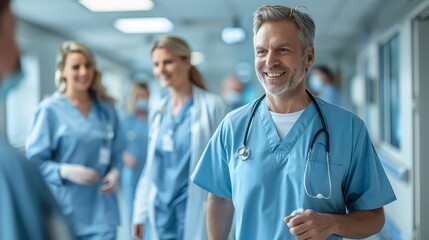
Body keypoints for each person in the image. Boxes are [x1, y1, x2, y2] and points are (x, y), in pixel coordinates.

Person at [191, 5, 396, 240]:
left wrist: (331, 224)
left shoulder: (348, 129)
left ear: (308, 56)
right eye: (261, 51)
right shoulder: (233, 126)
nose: (270, 61)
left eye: (283, 50)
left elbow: (373, 217)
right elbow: (219, 198)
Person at [25, 40, 126, 240]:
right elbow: (34, 163)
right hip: (66, 211)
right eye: (76, 66)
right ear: (62, 70)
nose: (83, 72)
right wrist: (66, 171)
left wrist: (115, 173)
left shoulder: (106, 108)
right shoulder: (50, 110)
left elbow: (118, 151)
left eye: (88, 65)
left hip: (102, 211)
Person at [132, 35, 228, 240]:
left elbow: (225, 166)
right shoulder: (158, 111)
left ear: (186, 61)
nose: (161, 70)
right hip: (160, 209)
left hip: (195, 207)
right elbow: (151, 167)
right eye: (156, 64)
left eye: (168, 62)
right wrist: (139, 212)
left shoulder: (213, 106)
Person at [0, 1, 75, 239]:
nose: (18, 50)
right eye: (12, 32)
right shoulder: (11, 171)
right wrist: (66, 171)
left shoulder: (106, 109)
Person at [120, 81, 150, 239]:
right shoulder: (126, 120)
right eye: (139, 96)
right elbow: (117, 145)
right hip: (132, 172)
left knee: (149, 208)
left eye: (145, 96)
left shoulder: (153, 118)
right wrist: (125, 156)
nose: (142, 99)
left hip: (149, 170)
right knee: (133, 207)